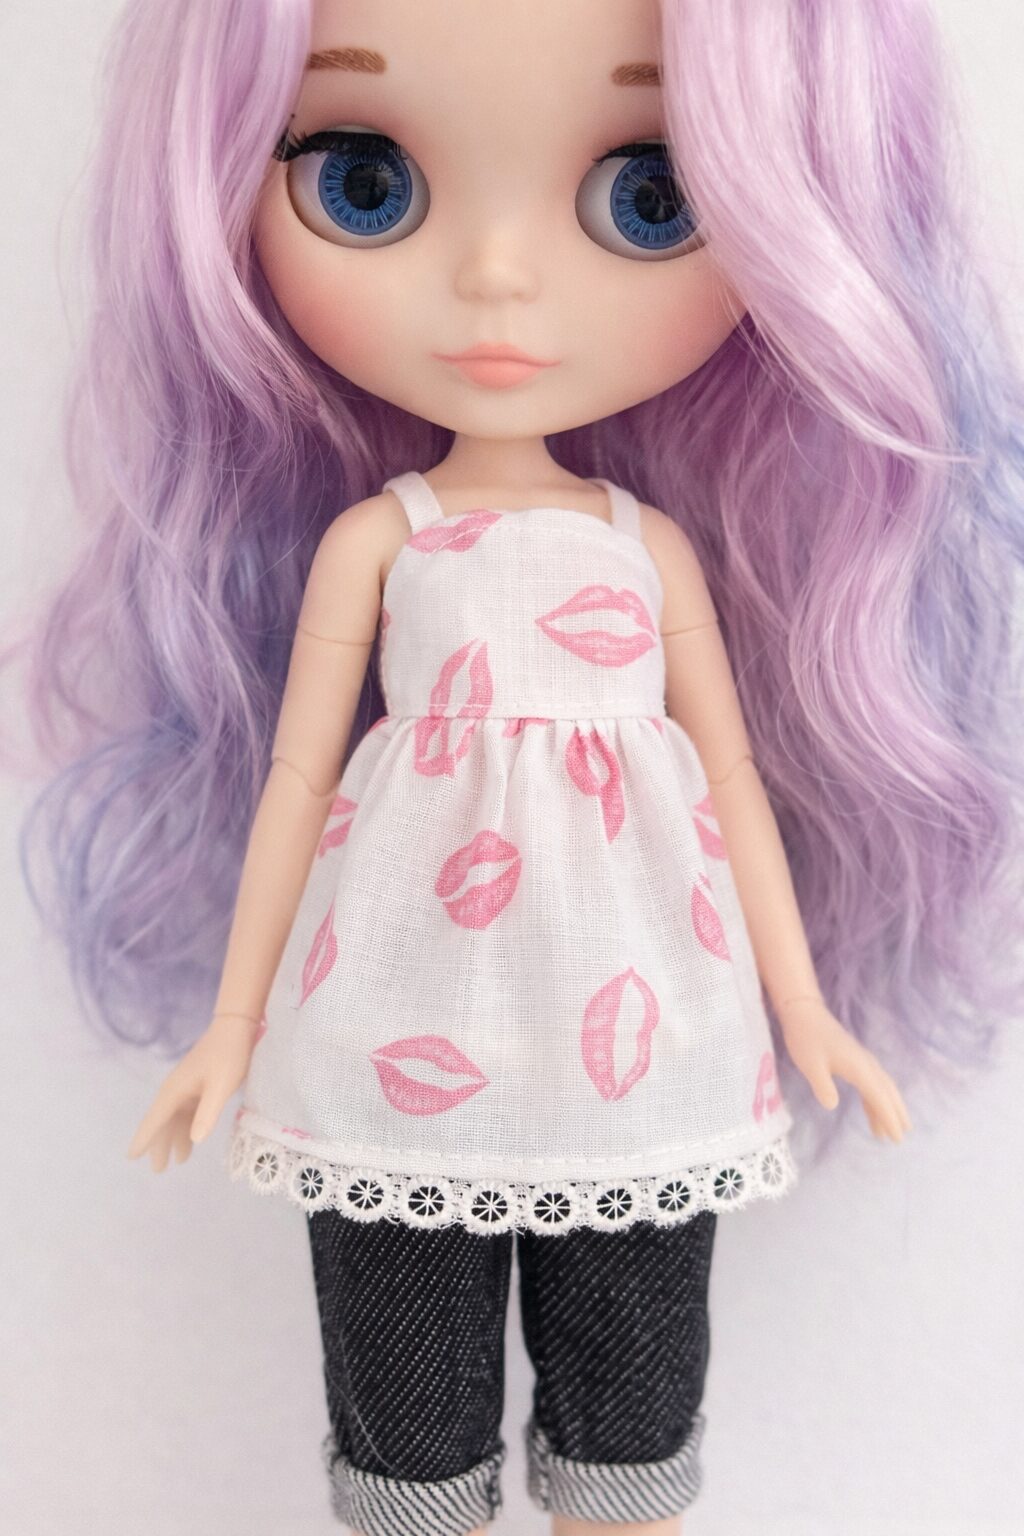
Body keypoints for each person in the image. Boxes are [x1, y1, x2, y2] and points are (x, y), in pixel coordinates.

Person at [19, 3, 1022, 1533]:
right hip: (394, 1039)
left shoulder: (644, 549)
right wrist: (232, 1026)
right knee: (409, 1448)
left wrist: (803, 1003)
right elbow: (299, 781)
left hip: (644, 1042)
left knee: (631, 1428)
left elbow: (730, 781)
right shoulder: (387, 540)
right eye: (366, 180)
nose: (497, 278)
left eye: (650, 193)